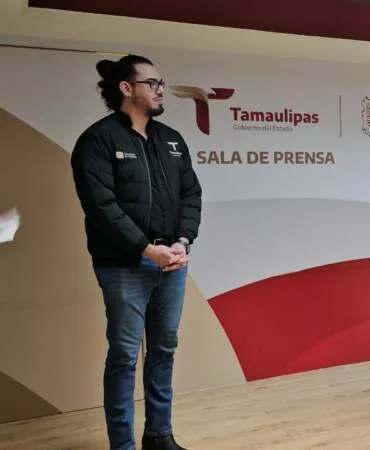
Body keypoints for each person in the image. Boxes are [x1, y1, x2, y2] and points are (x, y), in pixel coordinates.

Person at [71, 54, 201, 450]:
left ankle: (159, 436)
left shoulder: (172, 140)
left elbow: (191, 195)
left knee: (163, 350)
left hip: (171, 265)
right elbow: (102, 207)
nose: (161, 90)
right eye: (152, 83)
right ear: (126, 88)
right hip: (124, 266)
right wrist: (147, 249)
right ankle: (123, 445)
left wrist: (181, 241)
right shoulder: (98, 140)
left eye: (162, 83)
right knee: (125, 357)